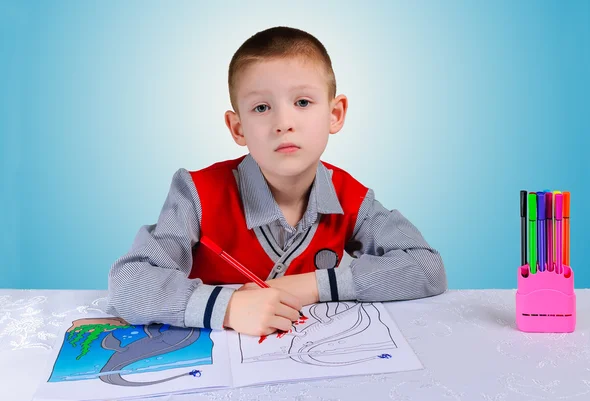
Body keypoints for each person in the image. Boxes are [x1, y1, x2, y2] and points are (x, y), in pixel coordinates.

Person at [105, 26, 447, 337]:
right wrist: (228, 307)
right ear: (237, 128)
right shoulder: (196, 193)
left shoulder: (350, 198)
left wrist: (311, 286)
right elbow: (128, 285)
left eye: (302, 102)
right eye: (262, 108)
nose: (284, 122)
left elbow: (426, 268)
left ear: (335, 114)